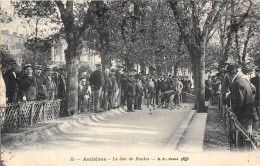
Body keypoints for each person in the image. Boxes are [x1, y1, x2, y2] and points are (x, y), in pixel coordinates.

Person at [227, 64, 259, 135]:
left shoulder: (237, 83)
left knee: (244, 137)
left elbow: (238, 101)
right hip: (249, 113)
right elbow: (253, 89)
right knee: (247, 136)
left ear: (228, 75)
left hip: (244, 115)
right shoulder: (243, 80)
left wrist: (233, 112)